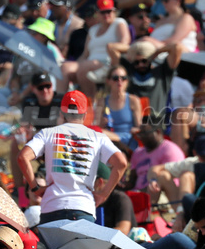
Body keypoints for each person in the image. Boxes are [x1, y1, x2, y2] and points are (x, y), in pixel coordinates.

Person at [18, 91, 129, 224]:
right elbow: (121, 163)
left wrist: (35, 188)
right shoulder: (97, 137)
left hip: (52, 206)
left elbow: (22, 157)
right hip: (83, 207)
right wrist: (104, 194)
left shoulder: (47, 134)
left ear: (61, 113)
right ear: (85, 115)